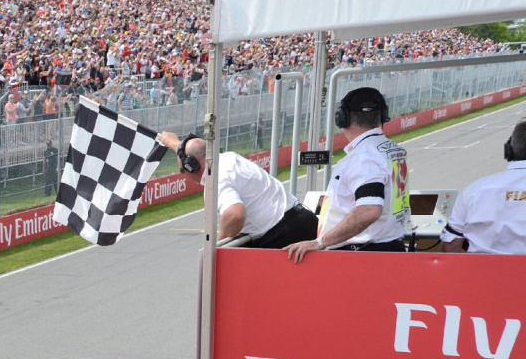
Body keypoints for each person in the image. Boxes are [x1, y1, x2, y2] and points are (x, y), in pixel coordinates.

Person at [286, 87, 410, 261]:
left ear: (342, 118)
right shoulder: (389, 149)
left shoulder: (364, 157)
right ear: (383, 116)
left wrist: (321, 242)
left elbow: (369, 210)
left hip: (363, 256)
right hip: (386, 247)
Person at [158, 131, 318, 248]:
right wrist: (172, 142)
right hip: (303, 220)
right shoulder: (228, 158)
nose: (184, 173)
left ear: (191, 167)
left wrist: (218, 247)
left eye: (182, 170)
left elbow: (235, 214)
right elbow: (194, 151)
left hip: (283, 235)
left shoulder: (216, 179)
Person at [440, 120, 526, 255]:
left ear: (511, 150)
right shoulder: (475, 189)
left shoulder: (475, 189)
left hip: (482, 266)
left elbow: (452, 244)